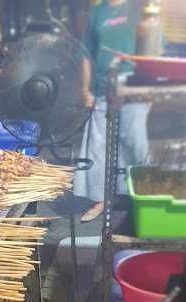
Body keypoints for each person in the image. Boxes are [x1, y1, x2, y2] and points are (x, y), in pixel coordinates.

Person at [73, 0, 151, 222]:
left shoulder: (139, 8)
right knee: (99, 146)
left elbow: (153, 48)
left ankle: (144, 196)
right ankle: (102, 199)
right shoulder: (99, 12)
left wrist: (151, 83)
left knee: (134, 140)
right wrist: (84, 90)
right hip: (102, 88)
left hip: (135, 86)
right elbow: (86, 54)